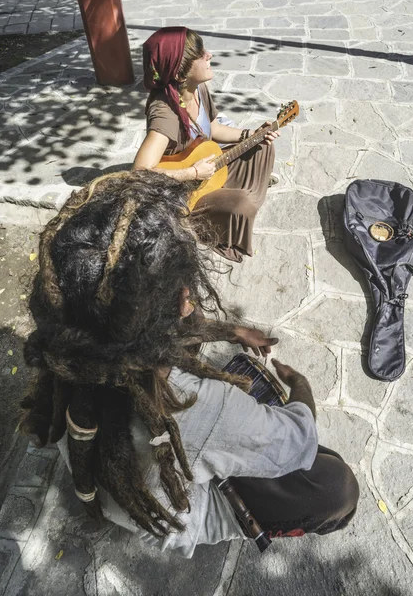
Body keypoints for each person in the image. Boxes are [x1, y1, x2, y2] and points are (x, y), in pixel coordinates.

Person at [20, 170, 359, 558]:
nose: (189, 300)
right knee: (339, 488)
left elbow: (154, 338)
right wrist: (300, 385)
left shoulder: (73, 344)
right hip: (176, 512)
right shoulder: (199, 405)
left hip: (121, 481)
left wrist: (231, 332)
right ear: (181, 300)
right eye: (184, 289)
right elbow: (299, 439)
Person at [133, 26, 278, 263]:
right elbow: (139, 173)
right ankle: (204, 223)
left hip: (207, 171)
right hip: (186, 193)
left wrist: (251, 133)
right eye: (200, 54)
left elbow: (214, 128)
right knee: (241, 205)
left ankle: (230, 202)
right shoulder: (165, 112)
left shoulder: (197, 88)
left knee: (262, 145)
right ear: (180, 74)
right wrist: (193, 172)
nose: (208, 55)